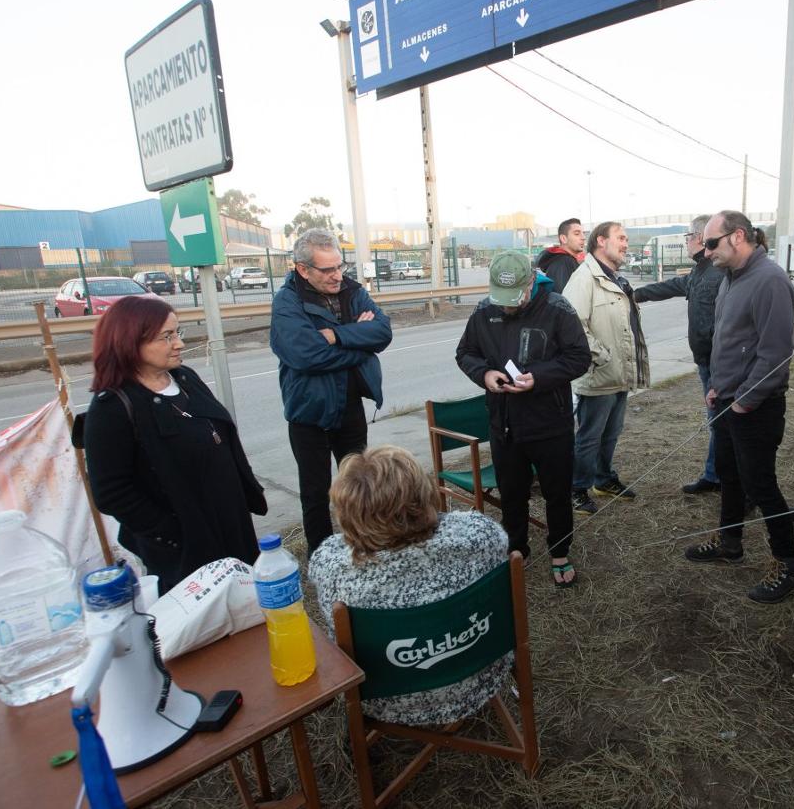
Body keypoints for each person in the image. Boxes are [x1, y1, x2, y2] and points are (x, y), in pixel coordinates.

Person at [309, 446, 513, 725]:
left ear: (348, 515)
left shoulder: (332, 571)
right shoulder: (481, 537)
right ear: (424, 495)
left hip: (388, 702)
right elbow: (462, 526)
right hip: (481, 676)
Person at [83, 295, 266, 592]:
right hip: (186, 546)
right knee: (207, 621)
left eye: (177, 333)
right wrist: (174, 532)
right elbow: (111, 493)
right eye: (166, 336)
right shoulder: (112, 409)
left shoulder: (185, 378)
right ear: (130, 342)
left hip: (231, 523)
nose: (179, 343)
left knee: (248, 603)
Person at [681, 211, 794, 604]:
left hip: (756, 407)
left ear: (737, 237)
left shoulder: (769, 281)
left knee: (761, 485)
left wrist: (745, 401)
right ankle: (730, 541)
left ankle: (789, 563)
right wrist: (718, 387)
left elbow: (775, 353)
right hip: (729, 401)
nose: (706, 249)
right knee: (730, 476)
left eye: (711, 242)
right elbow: (728, 341)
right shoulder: (728, 279)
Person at [456, 251, 591, 587]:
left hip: (550, 423)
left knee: (556, 492)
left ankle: (560, 551)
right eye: (501, 300)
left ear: (531, 282)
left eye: (514, 299)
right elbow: (465, 353)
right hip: (504, 423)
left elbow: (579, 358)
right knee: (511, 492)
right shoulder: (484, 311)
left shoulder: (557, 308)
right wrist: (484, 373)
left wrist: (539, 377)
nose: (507, 307)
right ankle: (516, 549)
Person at [271, 228, 392, 555]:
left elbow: (382, 331)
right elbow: (305, 356)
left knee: (360, 486)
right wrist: (359, 341)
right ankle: (322, 558)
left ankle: (364, 546)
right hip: (308, 413)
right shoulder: (287, 302)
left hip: (349, 407)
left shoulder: (352, 290)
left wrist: (335, 335)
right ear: (303, 269)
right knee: (315, 494)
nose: (337, 275)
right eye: (327, 270)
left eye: (340, 266)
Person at [561, 221, 649, 515]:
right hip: (599, 374)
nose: (626, 244)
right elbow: (572, 327)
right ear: (601, 241)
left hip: (618, 374)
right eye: (621, 238)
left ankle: (603, 479)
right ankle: (576, 488)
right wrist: (603, 355)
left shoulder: (614, 278)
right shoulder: (584, 278)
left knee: (611, 433)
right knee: (589, 436)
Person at [634, 214, 725, 494]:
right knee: (717, 423)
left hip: (718, 362)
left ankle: (727, 482)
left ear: (699, 238)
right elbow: (672, 287)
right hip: (706, 361)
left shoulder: (718, 271)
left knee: (722, 424)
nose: (686, 241)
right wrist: (635, 293)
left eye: (688, 236)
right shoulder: (701, 269)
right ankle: (714, 476)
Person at [536, 217, 586, 293]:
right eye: (577, 234)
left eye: (583, 233)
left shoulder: (561, 259)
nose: (583, 237)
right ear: (563, 239)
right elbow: (564, 299)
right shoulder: (563, 262)